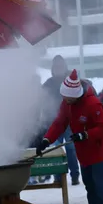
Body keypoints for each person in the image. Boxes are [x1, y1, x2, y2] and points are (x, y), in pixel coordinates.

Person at [37, 69, 103, 204]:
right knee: (88, 183)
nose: (65, 100)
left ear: (77, 95)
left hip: (97, 149)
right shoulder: (67, 104)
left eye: (68, 98)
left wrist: (85, 134)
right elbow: (59, 123)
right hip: (83, 150)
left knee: (98, 182)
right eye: (64, 97)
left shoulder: (93, 104)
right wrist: (46, 139)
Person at [42, 55, 81, 186]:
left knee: (70, 148)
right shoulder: (48, 84)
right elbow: (40, 100)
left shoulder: (69, 81)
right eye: (56, 66)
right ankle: (58, 176)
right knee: (56, 149)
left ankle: (75, 175)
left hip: (69, 122)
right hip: (53, 121)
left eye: (61, 66)